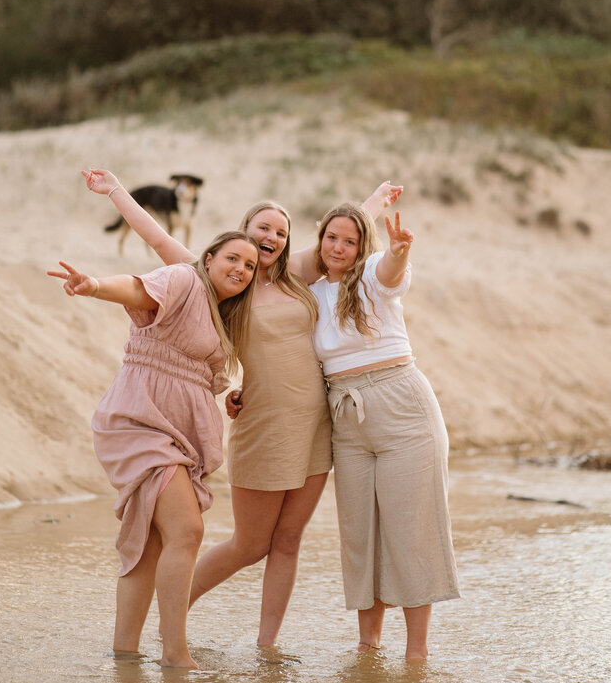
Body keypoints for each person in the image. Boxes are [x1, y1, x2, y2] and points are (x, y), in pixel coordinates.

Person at [82, 168, 400, 647]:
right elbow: (158, 238)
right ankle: (173, 615)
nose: (271, 236)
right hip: (263, 423)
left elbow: (344, 234)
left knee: (288, 542)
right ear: (241, 234)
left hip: (316, 422)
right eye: (262, 228)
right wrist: (116, 192)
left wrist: (376, 196)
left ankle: (266, 646)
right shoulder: (223, 280)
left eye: (280, 231)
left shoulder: (297, 276)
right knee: (250, 545)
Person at [47, 229, 259, 669]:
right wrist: (94, 287)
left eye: (250, 266)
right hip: (138, 421)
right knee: (188, 529)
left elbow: (194, 376)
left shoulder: (221, 317)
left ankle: (125, 654)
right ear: (209, 258)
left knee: (152, 543)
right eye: (233, 259)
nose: (240, 269)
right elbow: (138, 289)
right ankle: (175, 653)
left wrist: (229, 398)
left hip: (175, 433)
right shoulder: (184, 280)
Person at [309, 202, 459, 661]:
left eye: (350, 240)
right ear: (319, 240)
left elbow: (391, 274)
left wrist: (398, 252)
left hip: (401, 407)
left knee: (410, 531)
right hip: (346, 417)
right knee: (360, 534)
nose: (339, 247)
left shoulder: (373, 273)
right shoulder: (310, 292)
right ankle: (367, 645)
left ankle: (417, 655)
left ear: (362, 248)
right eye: (331, 237)